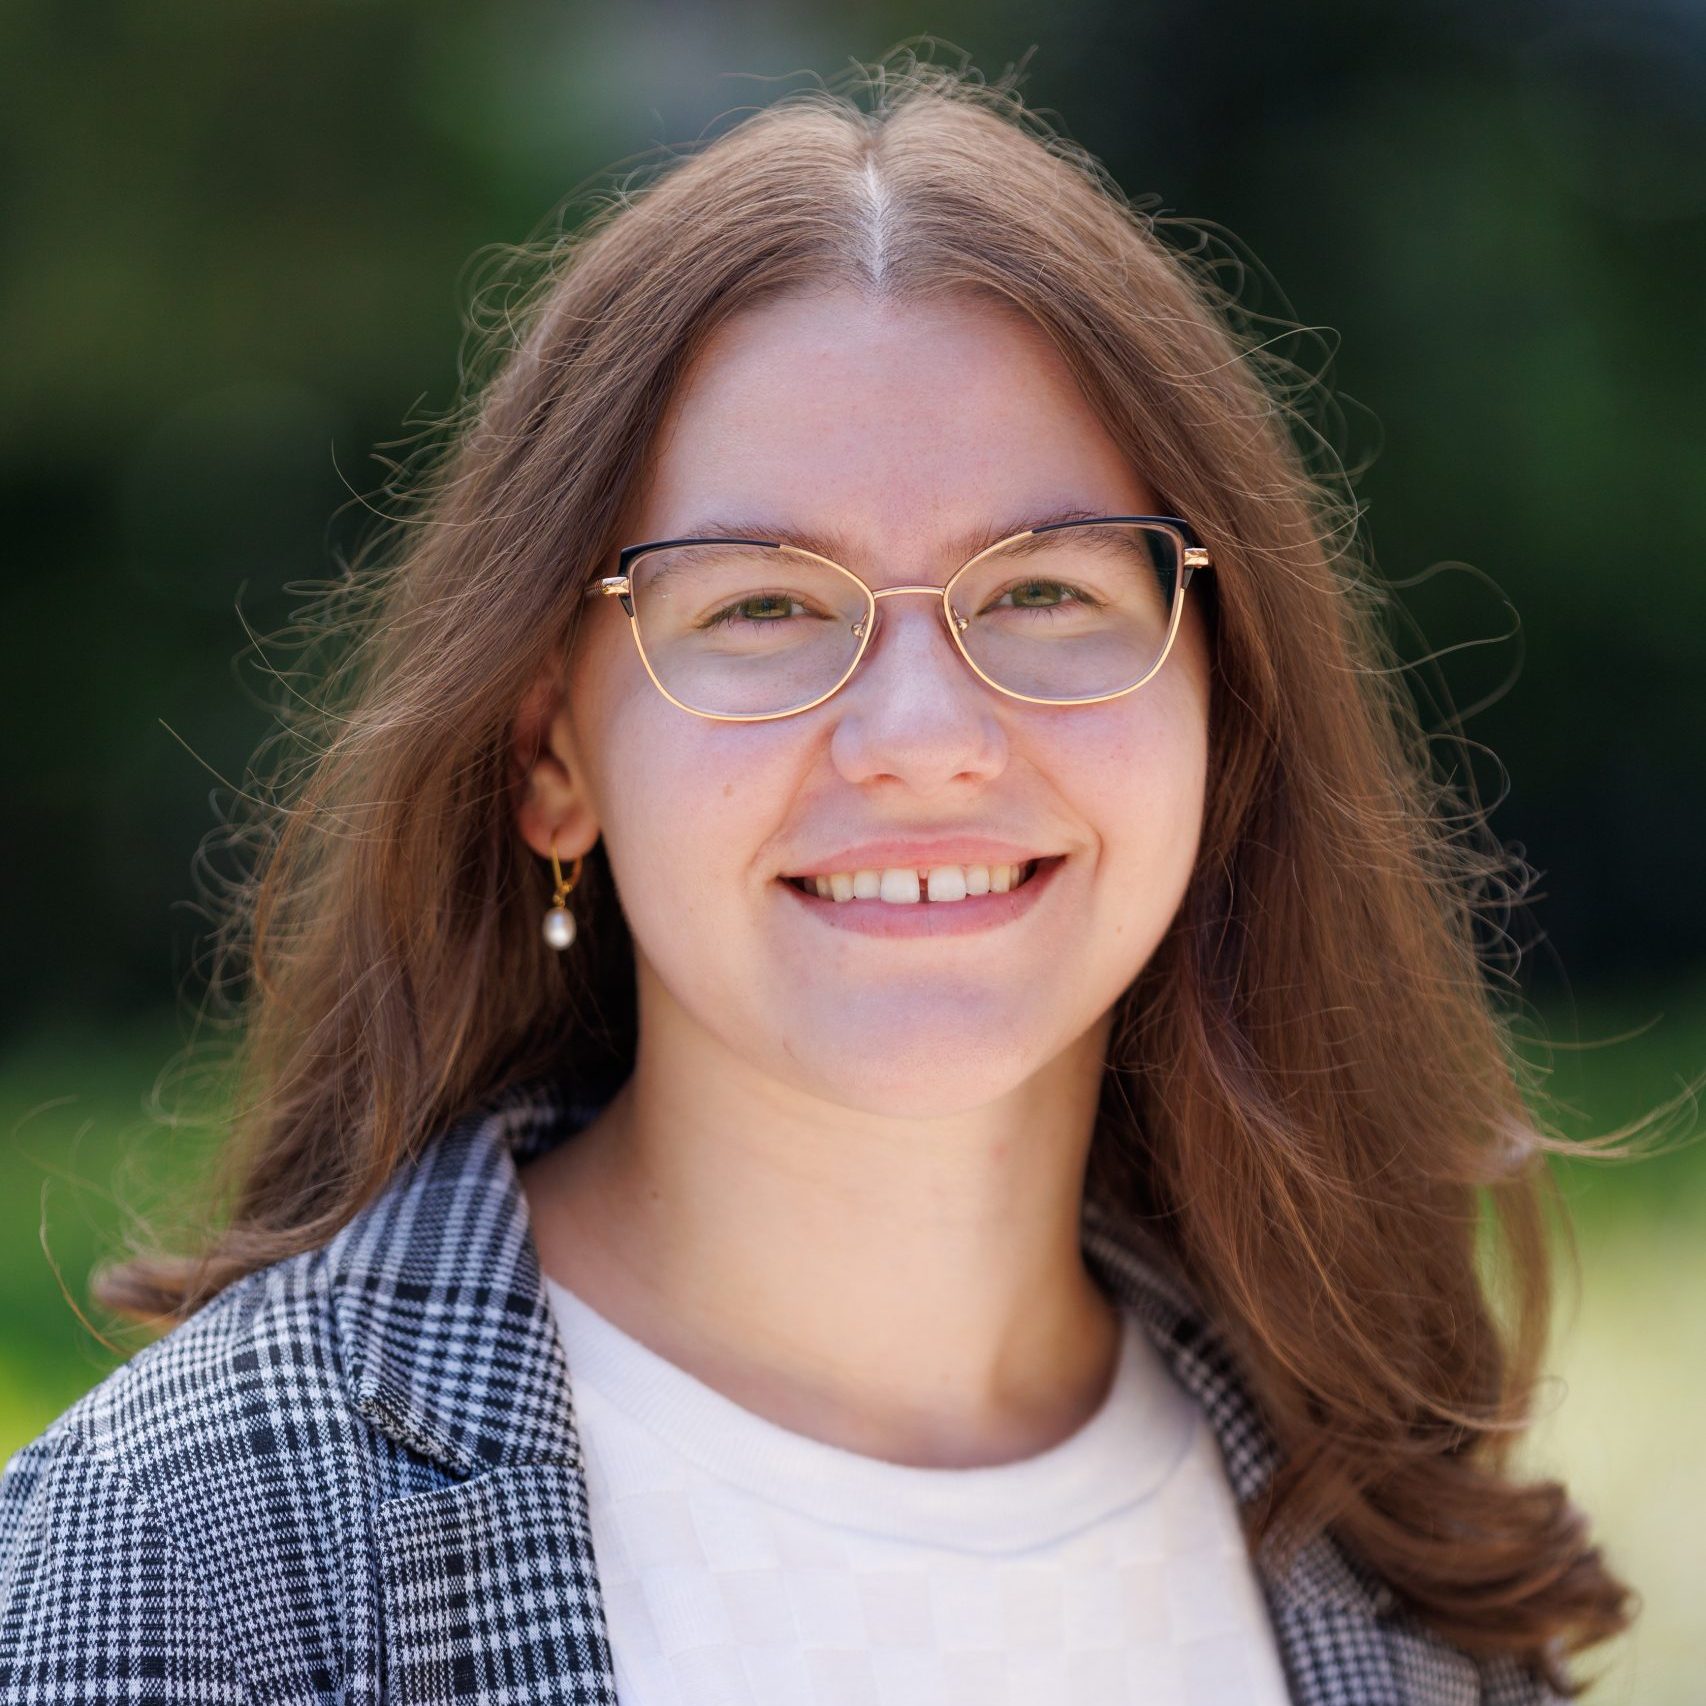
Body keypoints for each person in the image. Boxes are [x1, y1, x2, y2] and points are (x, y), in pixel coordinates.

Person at [0, 55, 1636, 1705]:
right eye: (762, 606)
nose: (921, 737)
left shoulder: (1392, 1546)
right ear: (550, 757)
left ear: (1219, 708)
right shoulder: (183, 1557)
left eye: (1045, 591)